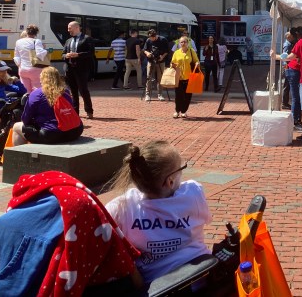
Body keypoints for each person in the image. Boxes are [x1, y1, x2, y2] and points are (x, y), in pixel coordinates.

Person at [106, 141, 212, 287]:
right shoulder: (194, 193)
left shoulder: (120, 207)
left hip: (157, 286)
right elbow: (206, 219)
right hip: (200, 276)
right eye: (182, 167)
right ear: (170, 181)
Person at [12, 67, 83, 146]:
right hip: (75, 131)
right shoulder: (66, 91)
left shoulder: (36, 94)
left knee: (16, 127)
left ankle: (19, 157)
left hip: (52, 134)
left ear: (42, 79)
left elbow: (25, 119)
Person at [62, 21, 95, 119]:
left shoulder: (87, 38)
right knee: (73, 91)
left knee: (83, 90)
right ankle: (75, 112)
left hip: (81, 69)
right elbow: (62, 53)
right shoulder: (68, 41)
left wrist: (78, 55)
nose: (68, 30)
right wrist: (66, 55)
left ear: (77, 27)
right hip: (70, 69)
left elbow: (91, 53)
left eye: (70, 28)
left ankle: (89, 111)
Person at [170, 36, 201, 118]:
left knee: (187, 96)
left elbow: (196, 61)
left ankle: (184, 111)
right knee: (178, 96)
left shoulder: (191, 51)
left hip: (189, 77)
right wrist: (173, 65)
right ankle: (177, 111)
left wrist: (197, 64)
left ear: (188, 43)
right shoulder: (176, 52)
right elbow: (172, 63)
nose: (183, 44)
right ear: (179, 43)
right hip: (179, 77)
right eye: (181, 42)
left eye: (185, 42)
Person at [13, 24, 49, 92]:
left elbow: (16, 57)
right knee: (37, 91)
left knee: (25, 91)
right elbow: (40, 54)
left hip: (22, 69)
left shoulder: (18, 42)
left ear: (26, 32)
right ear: (36, 33)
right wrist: (44, 49)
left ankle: (26, 102)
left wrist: (20, 65)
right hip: (35, 69)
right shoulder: (37, 41)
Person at [143, 29, 169, 102]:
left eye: (152, 38)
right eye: (150, 37)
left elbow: (167, 51)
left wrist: (162, 57)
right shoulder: (148, 40)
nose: (151, 39)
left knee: (160, 78)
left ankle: (160, 94)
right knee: (149, 77)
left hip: (161, 62)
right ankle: (147, 94)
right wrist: (147, 53)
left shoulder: (163, 40)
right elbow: (144, 49)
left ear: (155, 36)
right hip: (151, 61)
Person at [281, 30, 298, 109]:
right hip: (287, 67)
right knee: (286, 86)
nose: (294, 38)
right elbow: (284, 57)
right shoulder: (287, 45)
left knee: (287, 85)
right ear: (288, 37)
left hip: (288, 67)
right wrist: (286, 67)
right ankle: (284, 102)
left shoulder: (289, 44)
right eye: (292, 36)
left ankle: (285, 102)